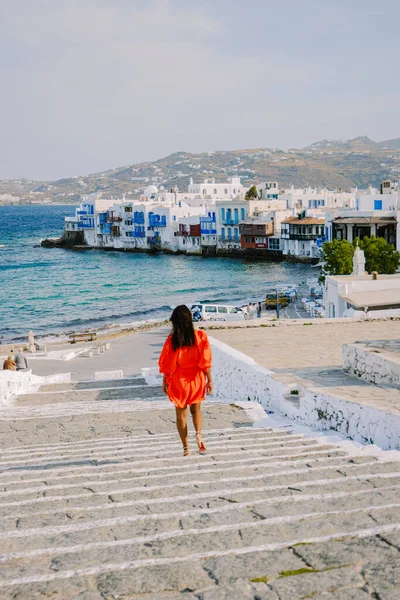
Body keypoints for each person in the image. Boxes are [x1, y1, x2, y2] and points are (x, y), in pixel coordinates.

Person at [159, 305, 213, 456]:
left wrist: (165, 381)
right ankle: (199, 435)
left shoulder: (172, 340)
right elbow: (205, 361)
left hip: (179, 380)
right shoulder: (201, 336)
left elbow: (168, 364)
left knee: (180, 415)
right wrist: (209, 380)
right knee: (196, 410)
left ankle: (186, 448)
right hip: (196, 378)